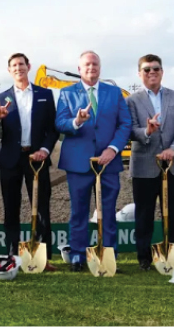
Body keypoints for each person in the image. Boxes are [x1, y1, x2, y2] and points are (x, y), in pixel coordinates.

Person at [54, 50, 131, 272]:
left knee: (108, 210)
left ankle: (108, 254)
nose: (91, 68)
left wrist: (113, 149)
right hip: (78, 162)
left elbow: (125, 124)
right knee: (79, 211)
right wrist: (76, 121)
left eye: (95, 64)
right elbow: (60, 123)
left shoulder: (114, 93)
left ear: (100, 67)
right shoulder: (67, 93)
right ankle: (78, 255)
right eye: (87, 65)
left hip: (108, 162)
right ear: (79, 69)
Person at [0, 53, 58, 271]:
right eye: (14, 66)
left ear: (29, 67)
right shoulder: (1, 98)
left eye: (21, 64)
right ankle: (12, 256)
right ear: (9, 70)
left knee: (42, 208)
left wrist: (45, 150)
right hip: (10, 160)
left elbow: (52, 129)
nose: (18, 68)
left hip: (37, 159)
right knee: (11, 208)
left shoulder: (45, 94)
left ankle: (43, 258)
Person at [125, 54, 174, 271]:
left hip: (172, 165)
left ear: (162, 72)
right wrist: (147, 130)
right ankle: (144, 258)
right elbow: (129, 129)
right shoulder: (131, 100)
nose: (151, 72)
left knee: (173, 212)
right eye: (146, 69)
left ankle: (171, 252)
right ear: (139, 73)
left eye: (156, 68)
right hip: (145, 164)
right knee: (143, 213)